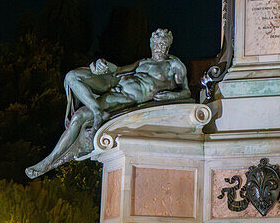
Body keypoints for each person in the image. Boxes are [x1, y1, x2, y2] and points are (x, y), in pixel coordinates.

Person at [25, 28, 190, 178]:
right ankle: (96, 112)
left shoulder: (174, 65)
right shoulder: (143, 62)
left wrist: (169, 97)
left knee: (79, 116)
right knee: (71, 77)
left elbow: (186, 92)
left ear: (168, 47)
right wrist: (101, 65)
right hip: (114, 83)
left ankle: (48, 162)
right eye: (156, 44)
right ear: (151, 44)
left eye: (163, 45)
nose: (159, 48)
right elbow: (118, 70)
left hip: (125, 97)